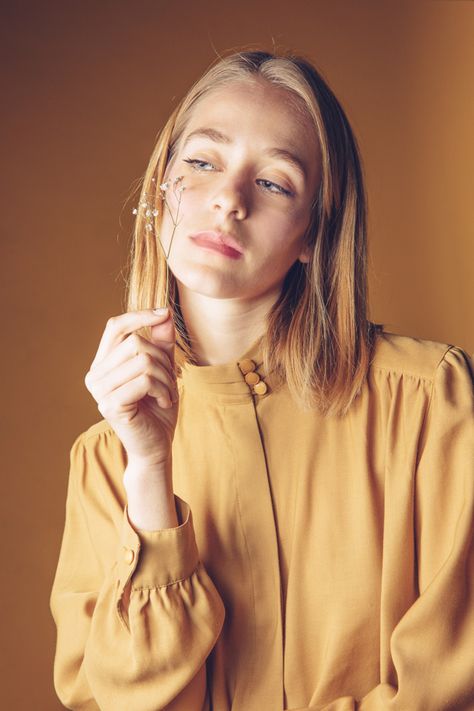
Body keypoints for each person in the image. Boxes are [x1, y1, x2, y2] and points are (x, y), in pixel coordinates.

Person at [49, 49, 474, 711]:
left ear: (315, 229)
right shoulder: (105, 461)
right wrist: (150, 468)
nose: (228, 198)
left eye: (274, 182)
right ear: (163, 188)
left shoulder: (431, 402)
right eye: (202, 162)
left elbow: (449, 684)